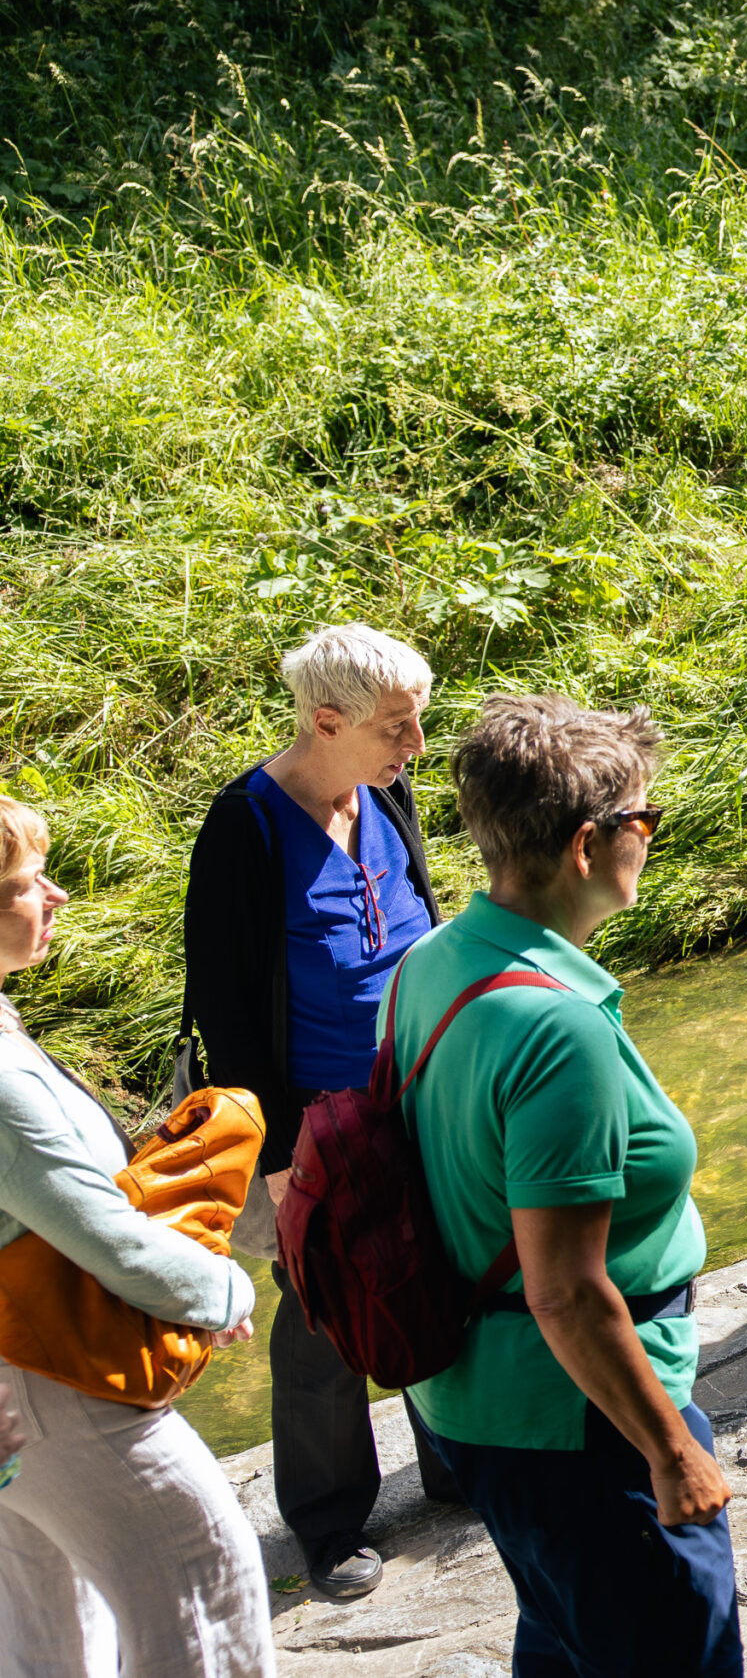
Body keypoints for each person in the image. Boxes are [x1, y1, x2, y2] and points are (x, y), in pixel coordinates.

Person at [402, 695, 741, 1676]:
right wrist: (669, 1450)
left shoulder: (435, 960)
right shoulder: (558, 1031)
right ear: (588, 845)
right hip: (580, 1423)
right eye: (646, 818)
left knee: (564, 1641)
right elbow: (565, 1291)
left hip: (483, 1405)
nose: (651, 838)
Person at [181, 620, 450, 1598]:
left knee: (444, 1266)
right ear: (326, 721)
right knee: (323, 1311)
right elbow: (226, 1009)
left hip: (421, 1088)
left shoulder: (386, 788)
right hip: (317, 1120)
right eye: (395, 727)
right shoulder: (244, 827)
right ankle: (330, 1524)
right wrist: (278, 1157)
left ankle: (457, 1460)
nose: (415, 745)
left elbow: (420, 909)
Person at [0, 797, 275, 1677]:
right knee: (204, 1591)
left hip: (19, 1391)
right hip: (60, 1381)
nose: (56, 896)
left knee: (49, 1634)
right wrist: (222, 1290)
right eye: (27, 883)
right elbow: (109, 1240)